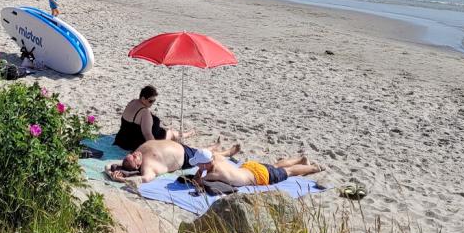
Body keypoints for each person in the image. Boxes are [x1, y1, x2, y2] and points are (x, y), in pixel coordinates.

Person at [107, 139, 243, 185]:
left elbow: (110, 165)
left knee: (201, 151)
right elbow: (145, 179)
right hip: (184, 157)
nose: (135, 153)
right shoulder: (148, 166)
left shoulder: (137, 155)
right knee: (207, 156)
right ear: (137, 165)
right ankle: (227, 153)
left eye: (132, 154)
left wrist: (109, 171)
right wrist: (122, 180)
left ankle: (213, 147)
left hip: (180, 147)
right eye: (134, 157)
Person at [192, 149, 322, 187]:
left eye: (199, 164)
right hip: (250, 167)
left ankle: (314, 168)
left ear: (205, 164)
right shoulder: (216, 157)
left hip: (259, 176)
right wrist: (202, 167)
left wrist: (200, 172)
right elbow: (207, 163)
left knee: (290, 171)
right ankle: (301, 159)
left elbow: (197, 181)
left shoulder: (214, 174)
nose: (197, 166)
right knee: (275, 166)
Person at [114, 85, 182, 150]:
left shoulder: (133, 102)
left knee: (168, 132)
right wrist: (155, 149)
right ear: (143, 98)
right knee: (170, 133)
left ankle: (185, 134)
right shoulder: (144, 112)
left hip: (121, 140)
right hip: (135, 144)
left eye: (154, 101)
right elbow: (147, 135)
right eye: (150, 101)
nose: (152, 103)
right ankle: (187, 134)